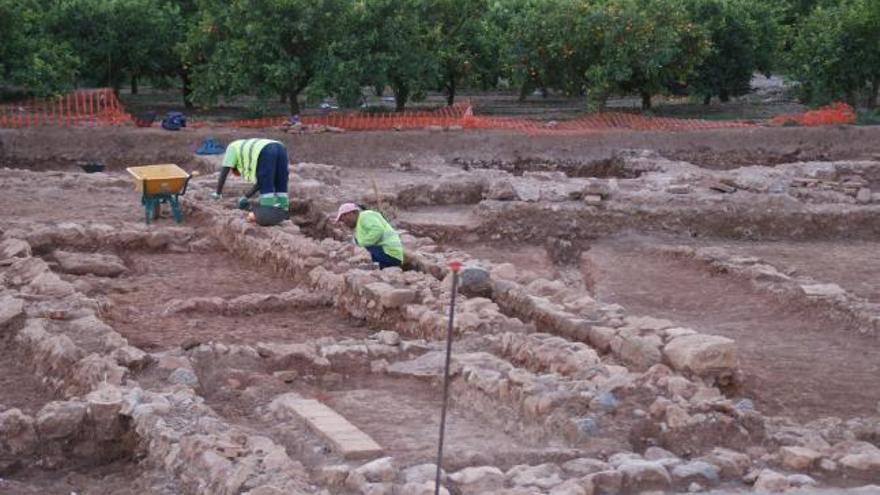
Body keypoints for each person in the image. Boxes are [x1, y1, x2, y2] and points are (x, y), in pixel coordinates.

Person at [210, 138, 289, 211]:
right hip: (281, 147)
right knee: (281, 182)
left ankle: (268, 212)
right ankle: (283, 211)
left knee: (267, 187)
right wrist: (245, 197)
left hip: (265, 149)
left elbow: (224, 171)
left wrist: (218, 193)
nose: (240, 174)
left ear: (235, 166)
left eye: (237, 172)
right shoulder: (249, 156)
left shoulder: (232, 147)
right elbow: (260, 182)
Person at [335, 203, 404, 269]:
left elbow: (377, 230)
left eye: (343, 218)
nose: (344, 222)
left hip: (389, 253)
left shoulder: (365, 216)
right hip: (390, 254)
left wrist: (361, 244)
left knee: (362, 250)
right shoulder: (362, 220)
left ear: (352, 213)